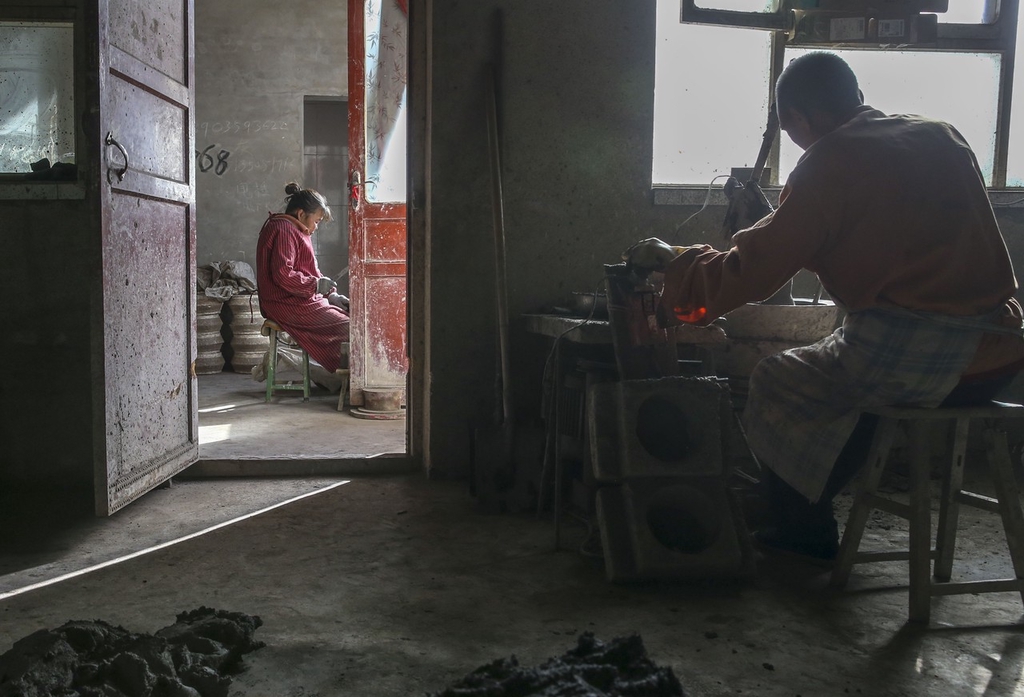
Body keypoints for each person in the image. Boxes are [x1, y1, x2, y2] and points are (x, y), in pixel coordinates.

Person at [624, 51, 1024, 563]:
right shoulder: (939, 133)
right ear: (856, 98)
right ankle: (807, 501)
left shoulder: (828, 162)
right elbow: (899, 240)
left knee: (777, 378)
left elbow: (755, 270)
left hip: (927, 361)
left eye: (791, 131)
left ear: (798, 120)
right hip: (1002, 349)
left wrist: (679, 269)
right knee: (849, 388)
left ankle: (801, 528)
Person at [256, 182, 349, 375]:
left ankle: (340, 377)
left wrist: (332, 295)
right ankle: (344, 377)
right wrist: (315, 286)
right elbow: (283, 274)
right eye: (316, 221)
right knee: (349, 328)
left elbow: (311, 271)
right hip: (283, 302)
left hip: (299, 299)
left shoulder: (295, 229)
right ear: (300, 214)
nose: (316, 227)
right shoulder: (283, 229)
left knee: (352, 319)